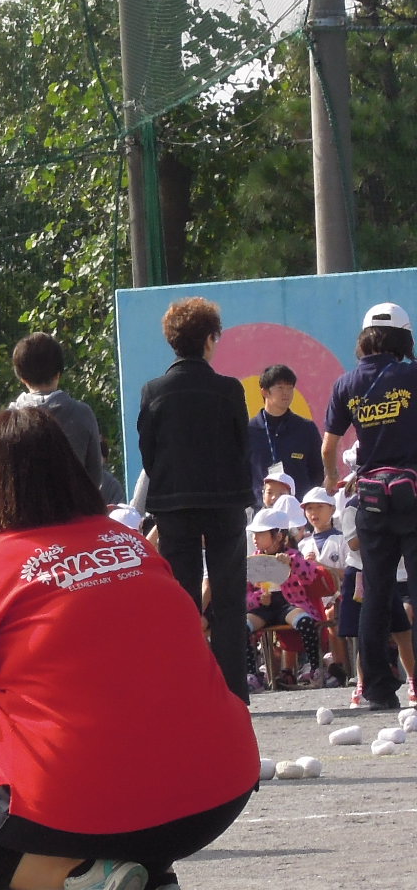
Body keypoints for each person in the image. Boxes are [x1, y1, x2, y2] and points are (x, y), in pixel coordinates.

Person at [0, 407, 257, 890]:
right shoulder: (131, 544)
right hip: (220, 791)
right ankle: (155, 885)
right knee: (126, 753)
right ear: (72, 469)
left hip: (90, 798)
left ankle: (92, 876)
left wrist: (21, 775)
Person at [136, 296, 254, 702]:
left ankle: (185, 690)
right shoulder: (229, 389)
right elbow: (243, 447)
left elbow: (147, 452)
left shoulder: (153, 390)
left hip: (174, 504)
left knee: (182, 601)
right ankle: (233, 693)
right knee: (229, 599)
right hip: (225, 502)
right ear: (209, 339)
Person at [322, 301, 417, 712]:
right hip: (413, 494)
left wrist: (330, 478)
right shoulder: (412, 375)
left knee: (376, 591)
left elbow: (329, 446)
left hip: (372, 501)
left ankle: (377, 688)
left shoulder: (347, 384)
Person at [9, 332, 115, 499]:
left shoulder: (6, 422)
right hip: (74, 515)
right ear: (59, 372)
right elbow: (95, 476)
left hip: (24, 520)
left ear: (22, 377)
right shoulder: (82, 414)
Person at [245, 505, 327, 688]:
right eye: (254, 534)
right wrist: (258, 599)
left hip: (288, 604)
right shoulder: (253, 561)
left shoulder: (292, 555)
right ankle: (252, 674)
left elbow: (310, 575)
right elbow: (246, 595)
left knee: (305, 622)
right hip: (264, 607)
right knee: (243, 627)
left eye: (260, 533)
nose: (255, 538)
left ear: (278, 535)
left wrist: (292, 564)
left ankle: (314, 668)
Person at [299, 486, 350, 684]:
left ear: (331, 509)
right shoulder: (304, 544)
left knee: (331, 615)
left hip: (339, 597)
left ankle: (341, 668)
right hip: (313, 601)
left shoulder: (342, 539)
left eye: (319, 507)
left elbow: (349, 573)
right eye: (309, 509)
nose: (313, 513)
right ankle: (314, 667)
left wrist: (321, 566)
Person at [253, 365, 324, 497]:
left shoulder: (306, 429)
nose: (286, 393)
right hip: (260, 510)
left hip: (297, 510)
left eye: (290, 388)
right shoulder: (249, 430)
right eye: (280, 387)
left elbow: (318, 472)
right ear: (265, 392)